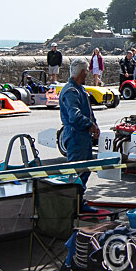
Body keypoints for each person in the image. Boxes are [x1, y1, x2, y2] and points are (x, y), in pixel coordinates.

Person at [59, 59, 99, 211]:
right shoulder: (71, 91)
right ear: (82, 72)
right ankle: (73, 205)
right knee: (77, 173)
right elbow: (74, 116)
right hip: (76, 136)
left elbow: (88, 111)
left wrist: (94, 125)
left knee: (84, 170)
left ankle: (77, 202)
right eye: (86, 71)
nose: (88, 74)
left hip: (82, 136)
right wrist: (90, 125)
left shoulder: (79, 89)